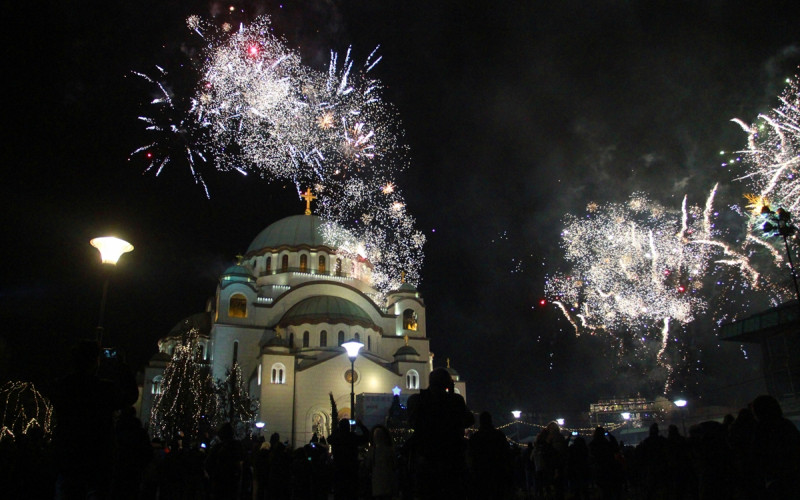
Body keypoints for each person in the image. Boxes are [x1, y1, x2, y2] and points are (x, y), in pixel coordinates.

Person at [51, 339, 136, 499]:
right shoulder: (103, 389)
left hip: (69, 456)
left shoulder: (62, 386)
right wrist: (123, 367)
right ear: (95, 362)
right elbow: (130, 396)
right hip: (97, 458)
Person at [406, 367, 474, 500]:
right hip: (451, 459)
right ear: (447, 384)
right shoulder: (455, 401)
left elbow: (412, 422)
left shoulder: (416, 400)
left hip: (427, 459)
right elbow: (468, 420)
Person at [467, 411, 511, 500]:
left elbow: (471, 455)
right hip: (497, 471)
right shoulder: (499, 435)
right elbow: (506, 452)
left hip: (481, 472)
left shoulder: (475, 437)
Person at [327, 419, 369, 500]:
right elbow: (366, 437)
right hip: (351, 469)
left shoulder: (336, 438)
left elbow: (329, 439)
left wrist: (336, 430)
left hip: (339, 468)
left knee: (339, 493)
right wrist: (361, 426)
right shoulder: (352, 437)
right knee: (351, 493)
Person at [205, 422, 245, 500]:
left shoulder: (217, 448)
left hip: (220, 483)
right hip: (234, 483)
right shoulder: (238, 447)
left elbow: (208, 464)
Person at [365, 425, 396, 500]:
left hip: (376, 480)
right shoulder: (390, 450)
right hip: (388, 479)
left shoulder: (372, 451)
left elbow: (368, 465)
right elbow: (394, 465)